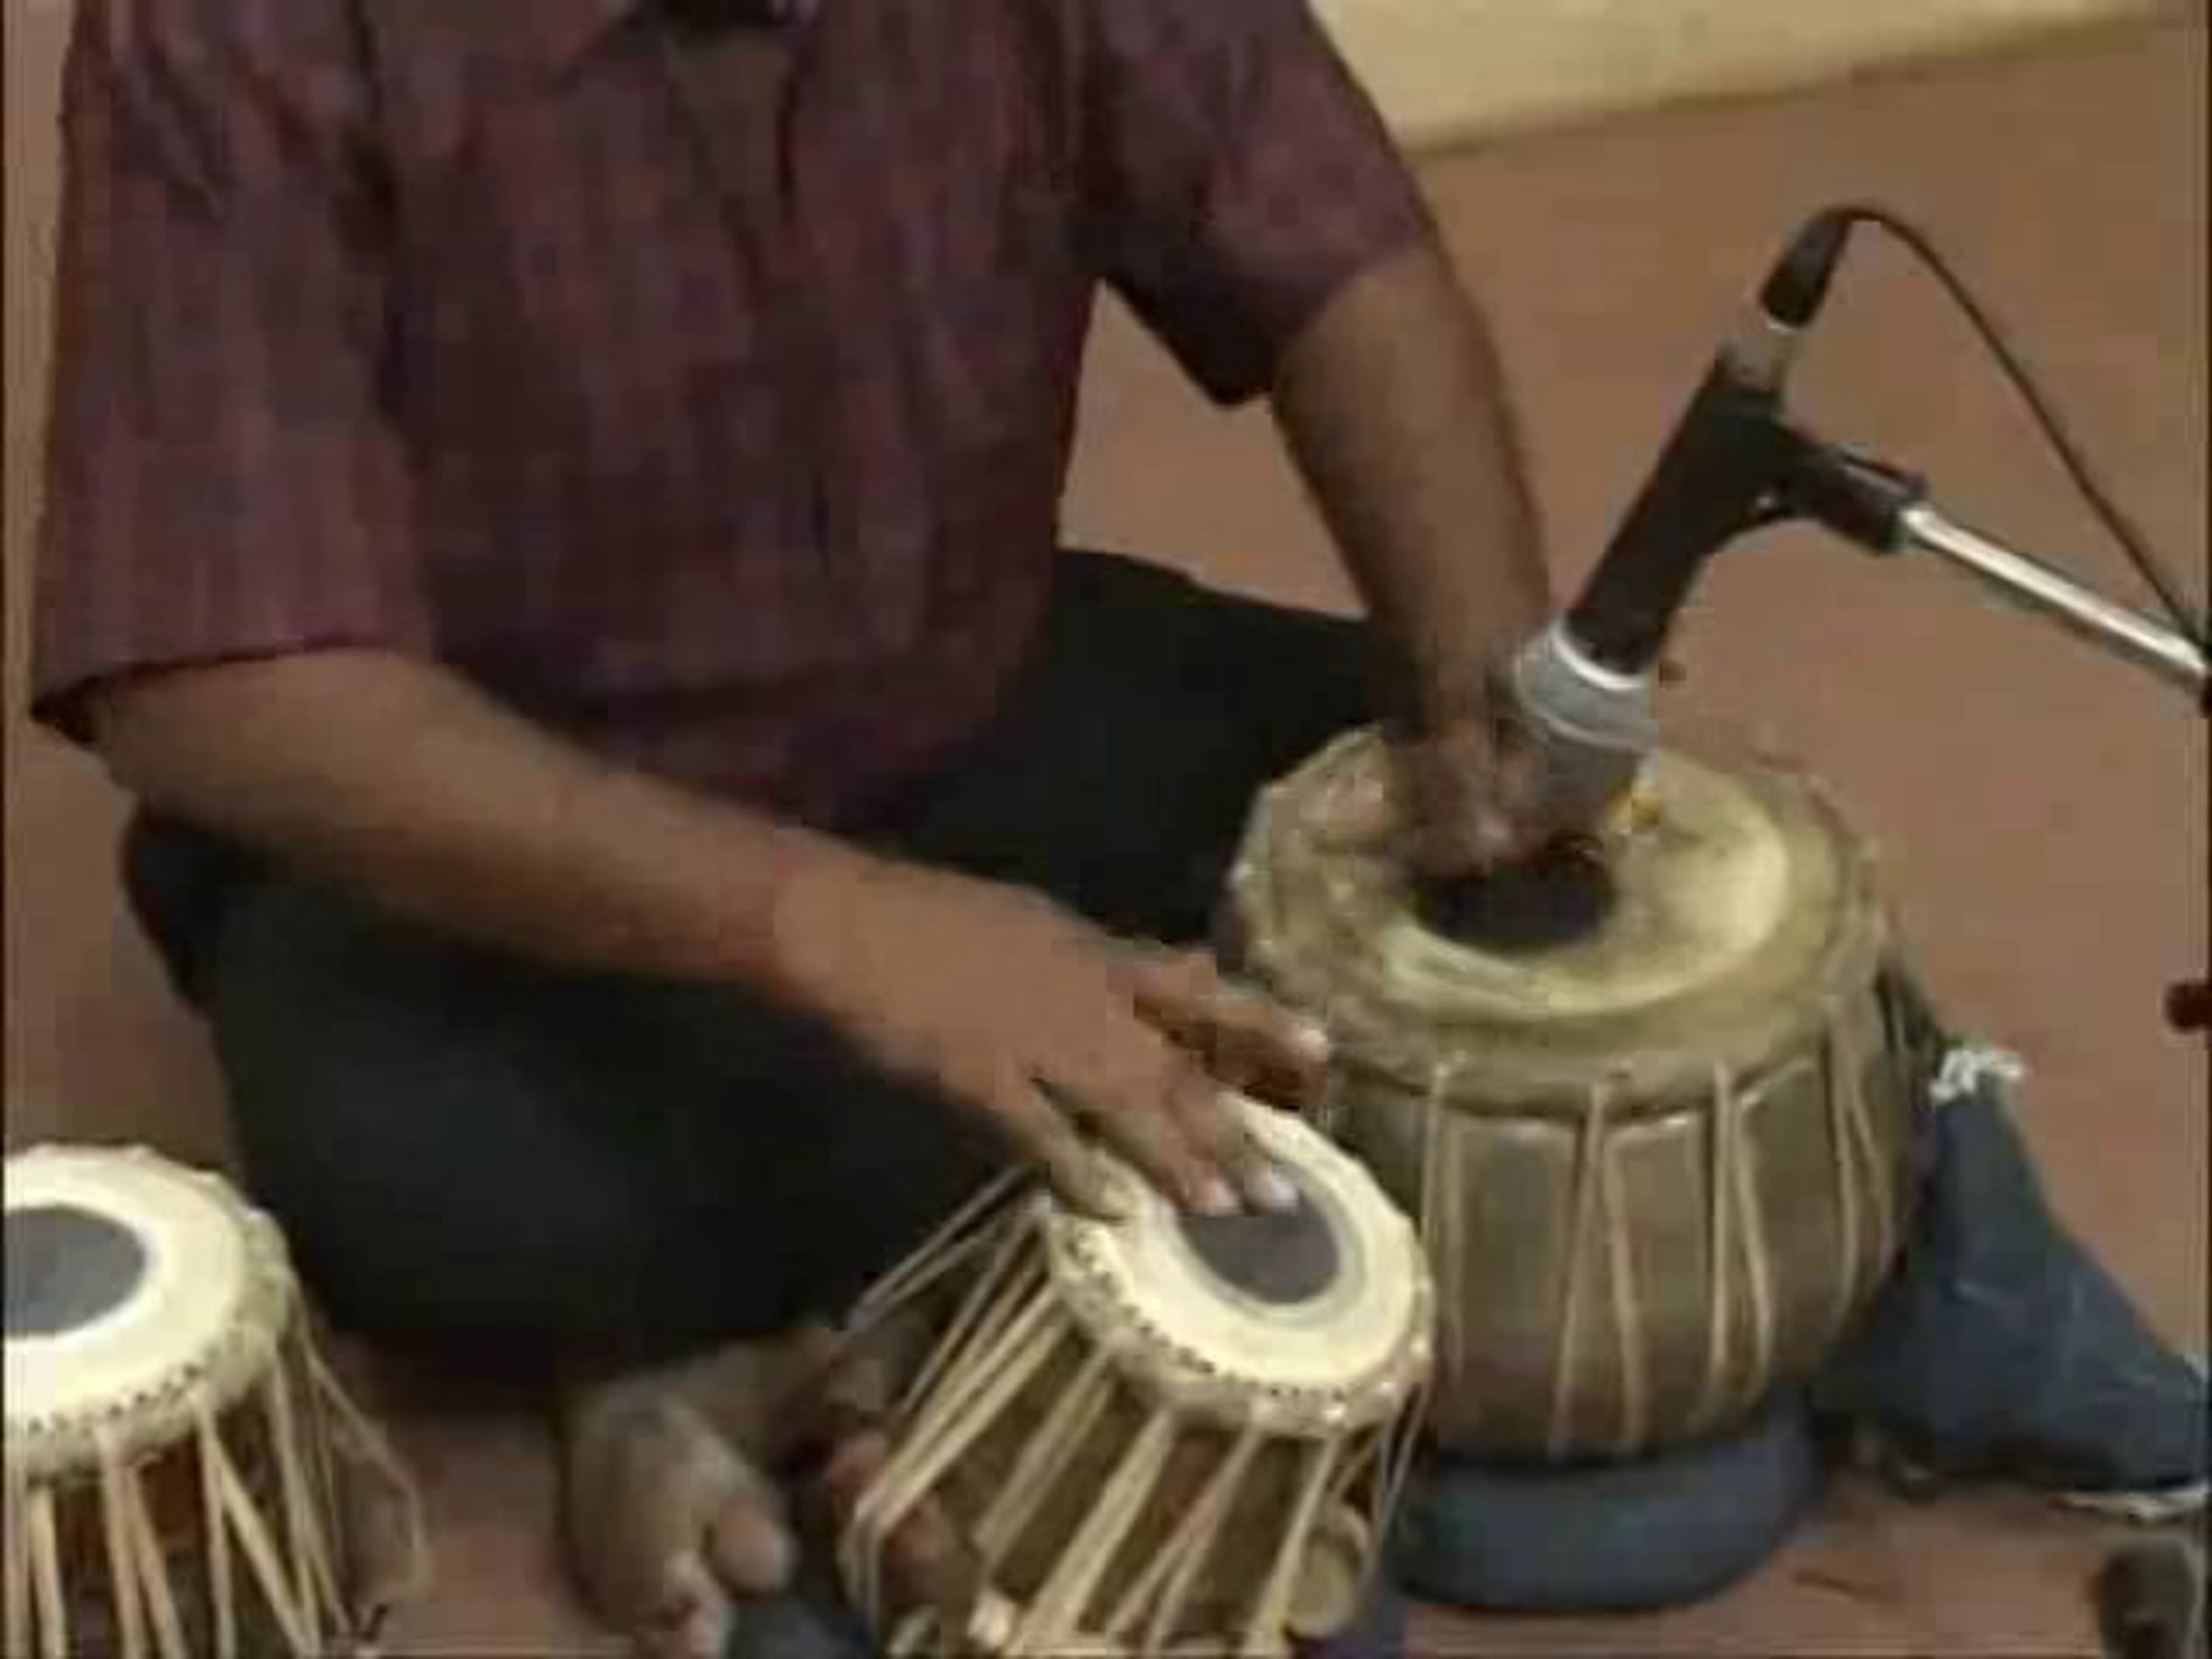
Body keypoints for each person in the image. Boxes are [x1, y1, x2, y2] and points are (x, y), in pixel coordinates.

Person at [30, 1, 2202, 1653]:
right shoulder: (240, 31)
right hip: (521, 849)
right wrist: (852, 934)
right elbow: (221, 688)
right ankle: (745, 1366)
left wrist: (1476, 678)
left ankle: (1939, 1272)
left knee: (1609, 877)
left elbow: (1327, 247)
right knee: (410, 1153)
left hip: (971, 693)